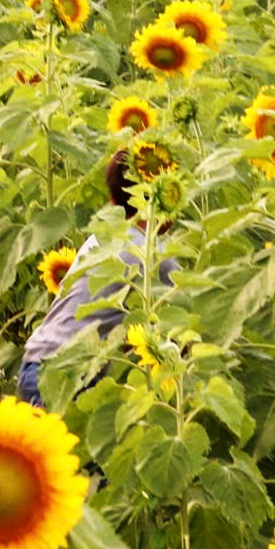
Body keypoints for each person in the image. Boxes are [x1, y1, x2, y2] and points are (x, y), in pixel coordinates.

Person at [17, 150, 178, 406]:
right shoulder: (153, 255)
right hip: (67, 375)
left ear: (113, 201)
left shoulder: (101, 239)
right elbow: (184, 322)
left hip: (37, 364)